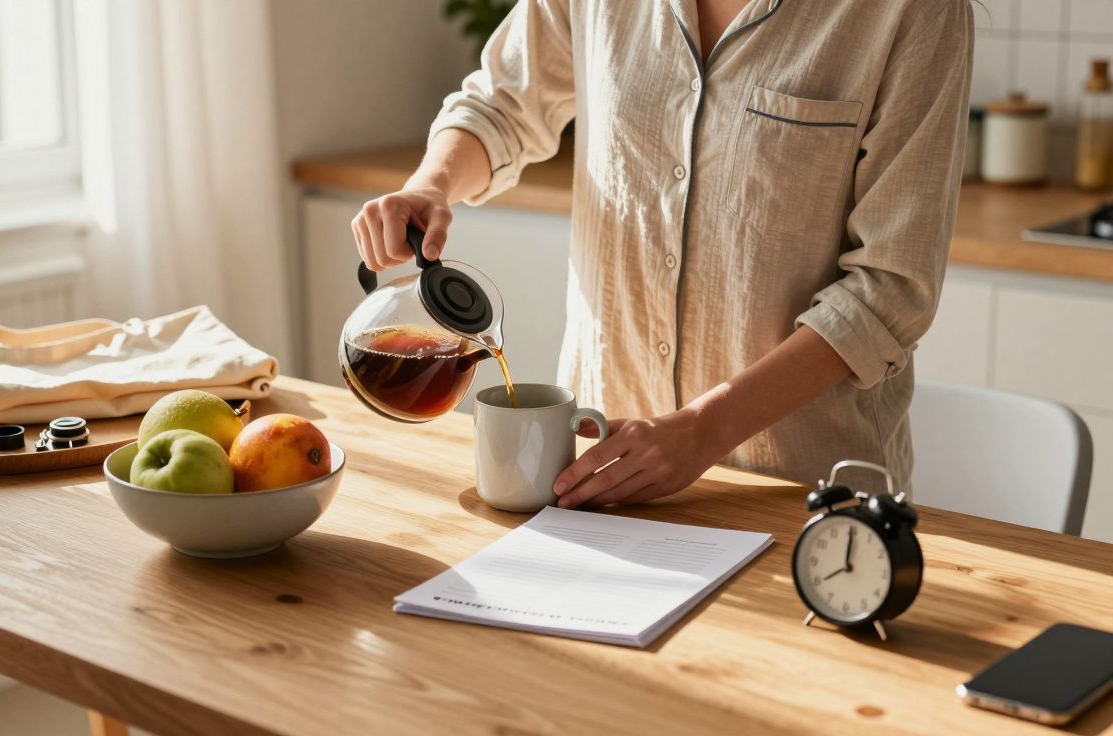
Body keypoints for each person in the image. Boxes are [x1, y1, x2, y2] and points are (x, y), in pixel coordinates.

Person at [351, 0, 973, 509]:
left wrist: (704, 429)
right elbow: (501, 105)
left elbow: (889, 290)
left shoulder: (913, 13)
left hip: (801, 500)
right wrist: (430, 184)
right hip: (595, 476)